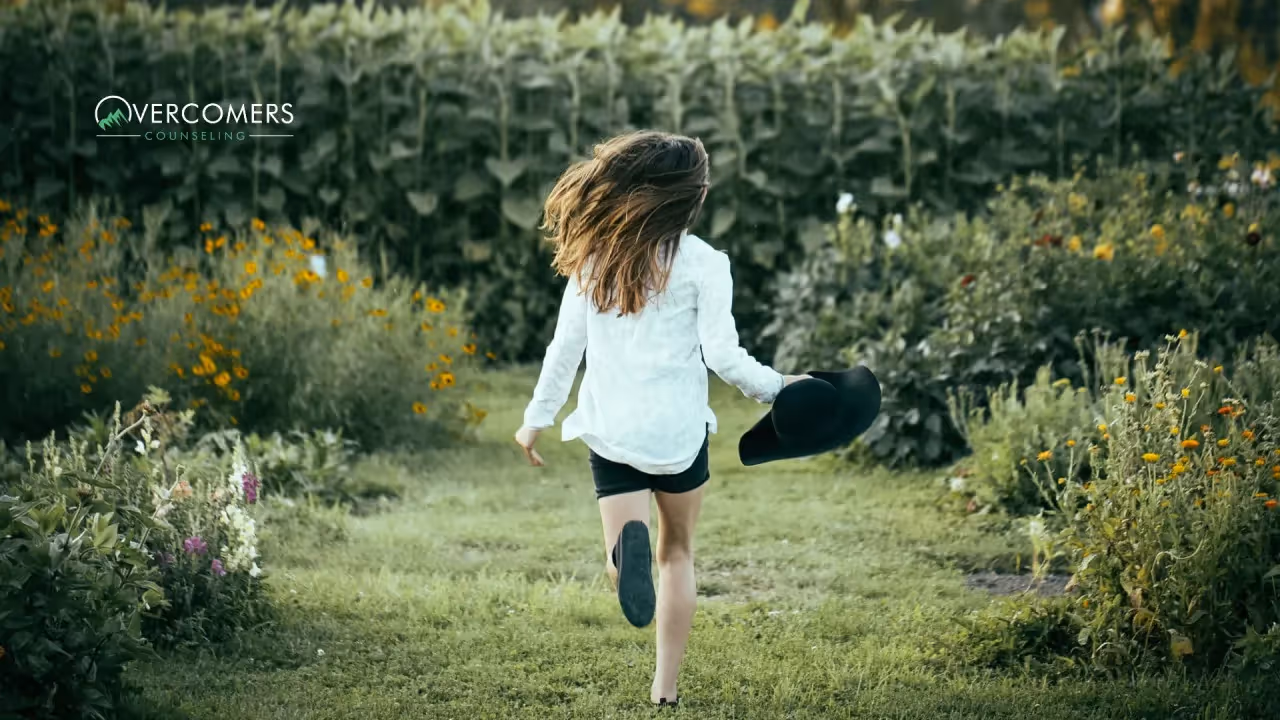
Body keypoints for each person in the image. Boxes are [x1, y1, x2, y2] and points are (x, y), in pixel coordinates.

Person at [513, 130, 808, 708]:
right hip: (678, 436)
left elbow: (563, 350)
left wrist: (535, 418)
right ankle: (665, 690)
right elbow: (724, 358)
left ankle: (626, 554)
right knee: (678, 555)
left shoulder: (594, 261)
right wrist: (780, 388)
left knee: (626, 557)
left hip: (613, 433)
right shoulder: (705, 263)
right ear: (690, 199)